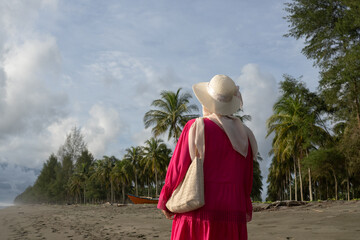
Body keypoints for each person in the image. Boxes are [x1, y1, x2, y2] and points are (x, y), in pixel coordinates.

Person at [157, 74, 258, 240]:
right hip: (233, 210)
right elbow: (247, 179)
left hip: (199, 208)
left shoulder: (196, 127)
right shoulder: (245, 135)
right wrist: (245, 205)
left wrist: (165, 198)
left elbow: (178, 167)